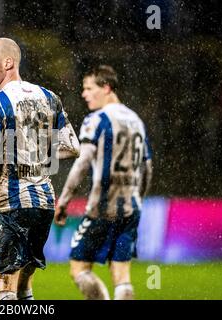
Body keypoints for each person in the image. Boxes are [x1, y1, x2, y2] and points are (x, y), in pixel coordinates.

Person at [0, 37, 80, 300]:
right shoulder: (49, 97)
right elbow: (73, 146)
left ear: (8, 62)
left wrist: (10, 150)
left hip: (10, 203)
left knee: (3, 292)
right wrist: (34, 151)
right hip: (43, 203)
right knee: (24, 290)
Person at [54, 65, 153, 300]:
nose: (84, 94)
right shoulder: (136, 120)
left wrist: (64, 201)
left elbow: (82, 163)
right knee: (122, 275)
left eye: (89, 88)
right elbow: (147, 168)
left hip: (102, 208)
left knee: (79, 269)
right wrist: (140, 199)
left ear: (106, 87)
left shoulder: (96, 120)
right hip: (132, 207)